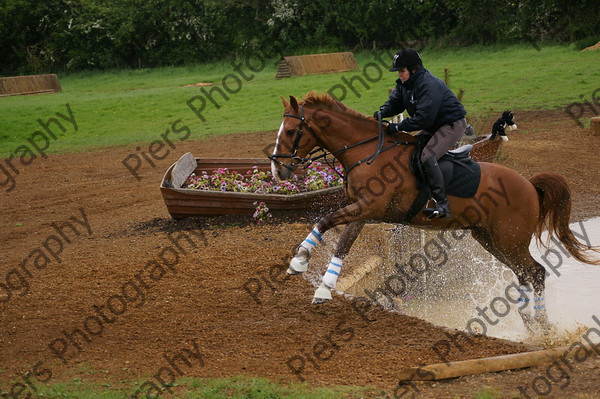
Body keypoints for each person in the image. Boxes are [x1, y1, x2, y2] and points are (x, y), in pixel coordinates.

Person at [374, 48, 467, 219]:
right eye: (399, 71)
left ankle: (443, 204)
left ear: (413, 69)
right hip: (434, 126)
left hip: (451, 124)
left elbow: (424, 119)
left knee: (426, 156)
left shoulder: (428, 85)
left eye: (402, 71)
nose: (400, 75)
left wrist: (398, 126)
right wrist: (381, 113)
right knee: (408, 151)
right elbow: (394, 104)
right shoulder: (404, 84)